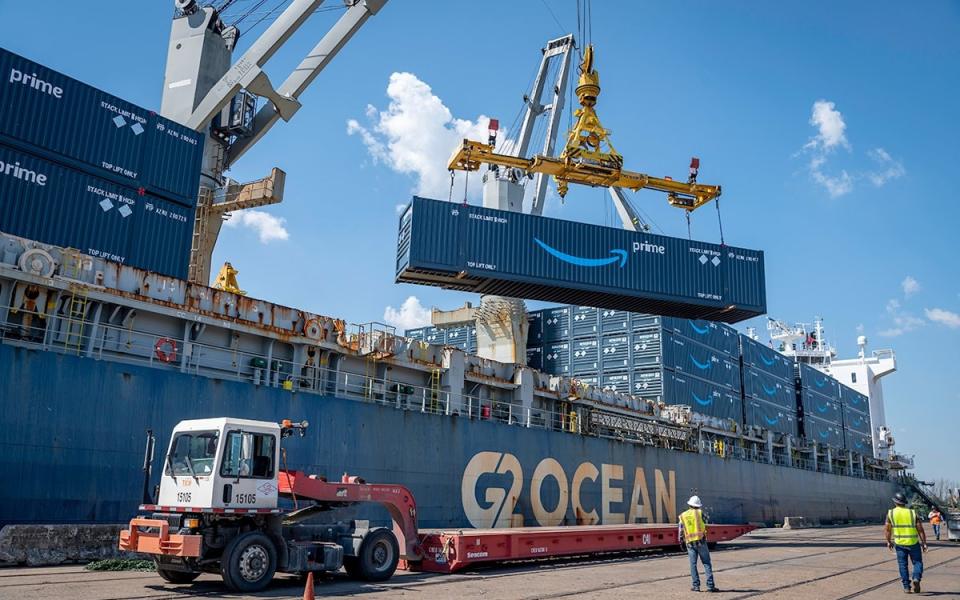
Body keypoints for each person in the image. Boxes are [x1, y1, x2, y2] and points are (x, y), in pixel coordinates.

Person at [885, 492, 928, 594]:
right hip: (913, 543)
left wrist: (888, 541)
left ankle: (906, 587)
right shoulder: (912, 513)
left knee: (903, 565)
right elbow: (920, 529)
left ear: (895, 502)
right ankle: (916, 578)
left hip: (899, 544)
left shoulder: (890, 513)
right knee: (917, 563)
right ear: (904, 503)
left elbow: (887, 530)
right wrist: (924, 543)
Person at [679, 495, 718, 593]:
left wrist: (681, 541)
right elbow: (706, 522)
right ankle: (710, 586)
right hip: (701, 542)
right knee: (706, 563)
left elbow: (680, 530)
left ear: (690, 505)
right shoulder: (700, 513)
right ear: (698, 505)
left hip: (689, 543)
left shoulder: (683, 515)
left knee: (693, 565)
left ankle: (696, 586)